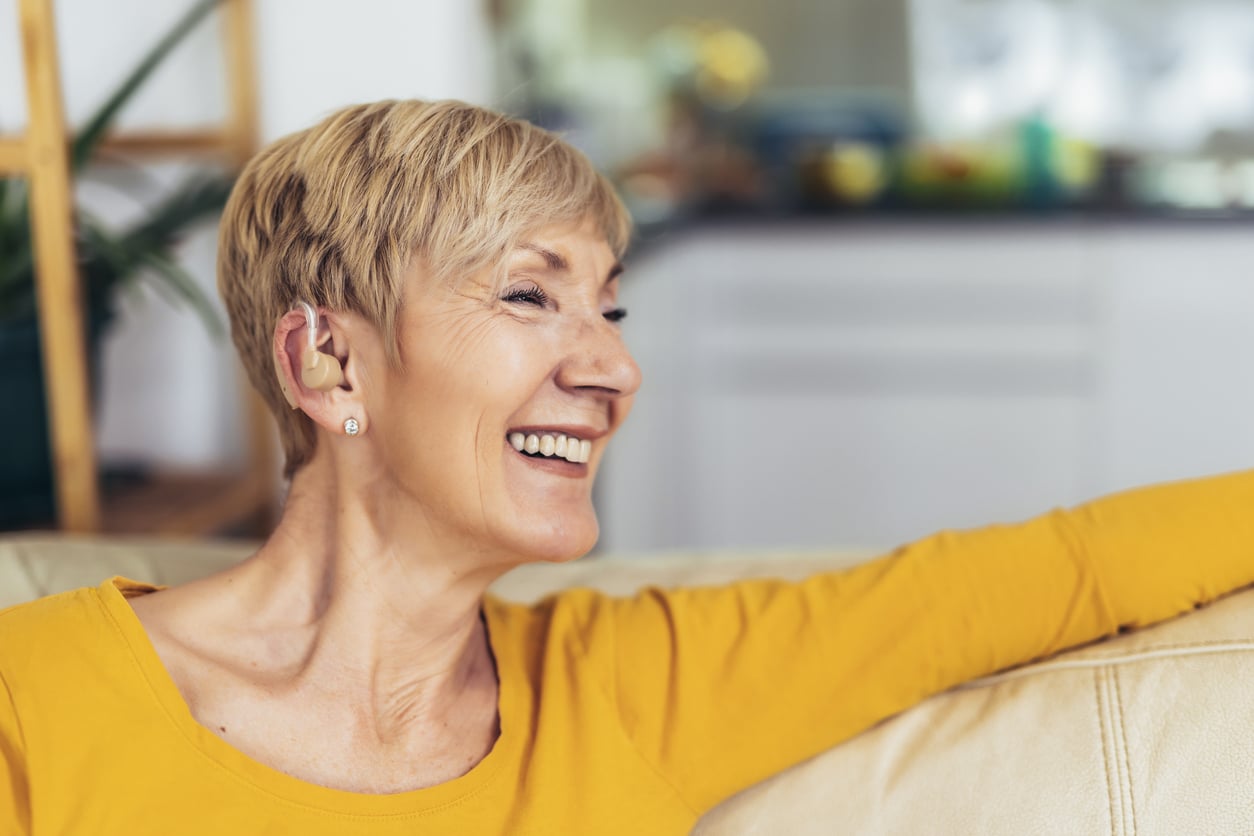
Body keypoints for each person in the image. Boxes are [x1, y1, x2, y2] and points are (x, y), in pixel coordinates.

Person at [1, 99, 1253, 835]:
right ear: (328, 360)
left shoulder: (636, 688)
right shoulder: (32, 701)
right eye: (530, 296)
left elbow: (1061, 570)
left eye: (611, 309)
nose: (611, 369)